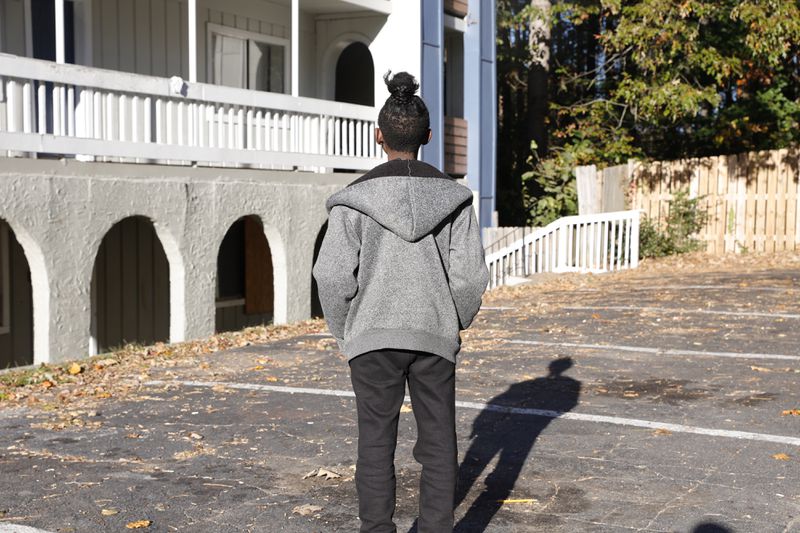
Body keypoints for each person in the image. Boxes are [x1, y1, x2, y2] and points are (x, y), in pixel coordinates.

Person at [313, 71, 489, 533]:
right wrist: (454, 322)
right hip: (434, 332)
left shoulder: (353, 201)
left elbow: (330, 274)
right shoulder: (454, 200)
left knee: (374, 443)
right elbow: (470, 276)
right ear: (428, 137)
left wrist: (345, 331)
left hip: (371, 335)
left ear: (378, 137)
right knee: (439, 444)